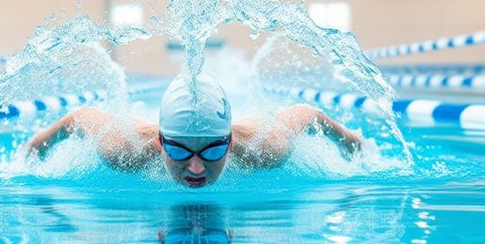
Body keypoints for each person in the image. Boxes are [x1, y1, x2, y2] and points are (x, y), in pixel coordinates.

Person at [24, 74, 363, 188]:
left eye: (214, 150)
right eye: (179, 151)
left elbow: (309, 113)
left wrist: (346, 138)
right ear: (160, 141)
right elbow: (79, 117)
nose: (197, 168)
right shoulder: (122, 148)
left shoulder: (266, 147)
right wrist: (42, 141)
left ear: (230, 142)